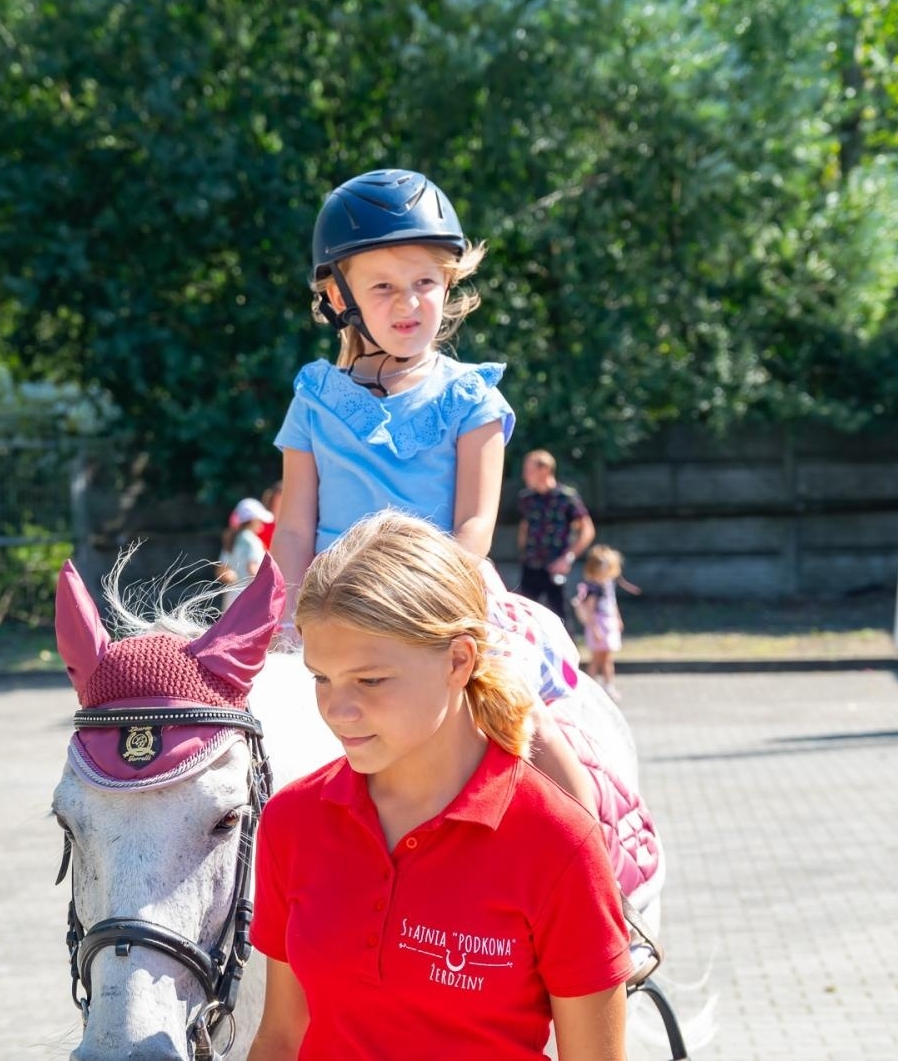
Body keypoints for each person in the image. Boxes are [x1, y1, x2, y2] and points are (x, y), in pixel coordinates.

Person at [267, 168, 597, 816]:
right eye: (384, 287)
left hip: (444, 597)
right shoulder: (313, 399)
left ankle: (596, 852)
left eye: (426, 284)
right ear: (340, 296)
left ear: (449, 286)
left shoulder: (471, 398)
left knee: (524, 716)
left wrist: (424, 600)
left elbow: (474, 524)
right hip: (335, 606)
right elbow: (297, 527)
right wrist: (276, 620)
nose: (409, 303)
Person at [248, 511, 632, 1061]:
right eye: (322, 679)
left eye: (371, 679)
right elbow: (281, 1039)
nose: (338, 710)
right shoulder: (291, 820)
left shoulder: (557, 842)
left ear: (458, 660)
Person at [516, 450, 595, 624]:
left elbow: (587, 529)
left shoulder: (566, 497)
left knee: (562, 618)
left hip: (556, 567)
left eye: (529, 470)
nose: (524, 475)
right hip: (531, 566)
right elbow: (525, 526)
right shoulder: (527, 498)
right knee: (525, 617)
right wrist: (523, 553)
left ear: (544, 469)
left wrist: (568, 557)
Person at [572, 544, 639, 701]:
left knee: (607, 658)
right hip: (599, 624)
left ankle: (608, 685)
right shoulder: (594, 588)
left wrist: (618, 618)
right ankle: (589, 687)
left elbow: (612, 604)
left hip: (609, 623)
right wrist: (594, 628)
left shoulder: (607, 584)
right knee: (597, 659)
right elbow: (590, 610)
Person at [215, 496, 276, 603]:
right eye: (259, 520)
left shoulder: (232, 539)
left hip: (232, 597)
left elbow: (221, 570)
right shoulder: (252, 540)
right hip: (248, 599)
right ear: (252, 520)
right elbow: (253, 568)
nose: (262, 523)